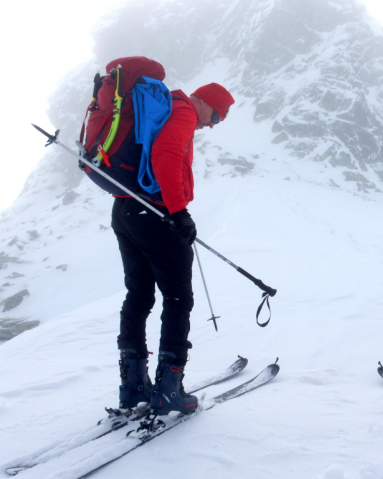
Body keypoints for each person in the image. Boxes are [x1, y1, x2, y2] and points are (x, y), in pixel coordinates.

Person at [112, 82, 235, 415]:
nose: (212, 124)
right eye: (216, 116)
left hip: (126, 211)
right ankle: (168, 389)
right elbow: (165, 156)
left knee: (138, 294)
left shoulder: (169, 110)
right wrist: (178, 212)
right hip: (156, 214)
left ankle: (134, 386)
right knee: (179, 297)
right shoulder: (182, 113)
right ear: (204, 102)